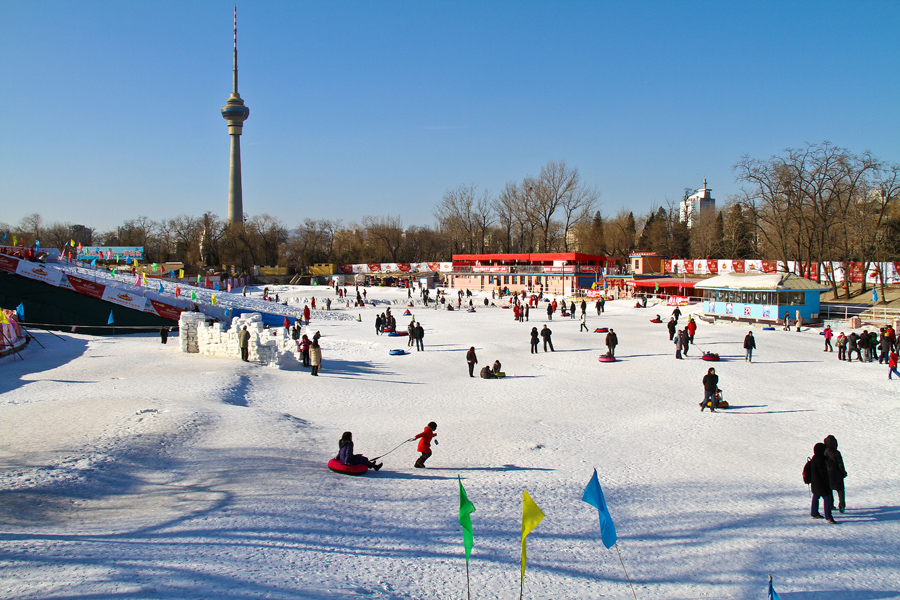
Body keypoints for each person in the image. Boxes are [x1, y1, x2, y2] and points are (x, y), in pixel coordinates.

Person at [808, 442, 836, 523]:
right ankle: (829, 517)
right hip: (822, 484)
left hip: (815, 484)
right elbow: (823, 474)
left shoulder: (814, 458)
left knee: (816, 497)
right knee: (827, 499)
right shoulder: (820, 460)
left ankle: (814, 513)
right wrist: (827, 483)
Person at [823, 435, 847, 514]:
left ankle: (830, 504)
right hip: (837, 475)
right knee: (840, 490)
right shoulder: (837, 453)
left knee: (829, 490)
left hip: (827, 474)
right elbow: (840, 464)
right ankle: (842, 504)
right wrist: (843, 472)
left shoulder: (824, 452)